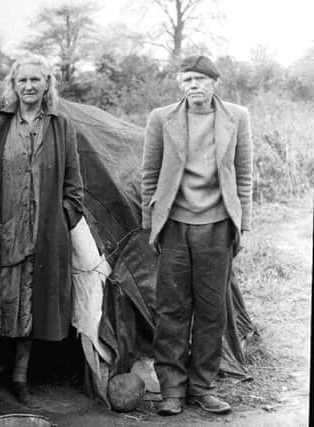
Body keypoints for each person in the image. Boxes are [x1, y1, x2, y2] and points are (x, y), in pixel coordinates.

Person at [141, 55, 253, 416]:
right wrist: (151, 223)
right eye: (187, 79)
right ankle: (172, 390)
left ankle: (202, 388)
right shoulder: (161, 118)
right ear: (179, 83)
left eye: (201, 80)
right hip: (174, 226)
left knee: (211, 311)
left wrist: (242, 224)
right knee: (172, 310)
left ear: (214, 83)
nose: (194, 86)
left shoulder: (237, 117)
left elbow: (244, 174)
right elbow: (149, 174)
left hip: (218, 226)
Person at [0, 54, 83, 407]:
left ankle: (20, 376)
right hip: (3, 230)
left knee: (31, 304)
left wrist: (58, 223)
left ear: (47, 84)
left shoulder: (61, 127)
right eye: (23, 81)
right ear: (13, 85)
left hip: (42, 234)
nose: (29, 86)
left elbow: (73, 188)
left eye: (36, 80)